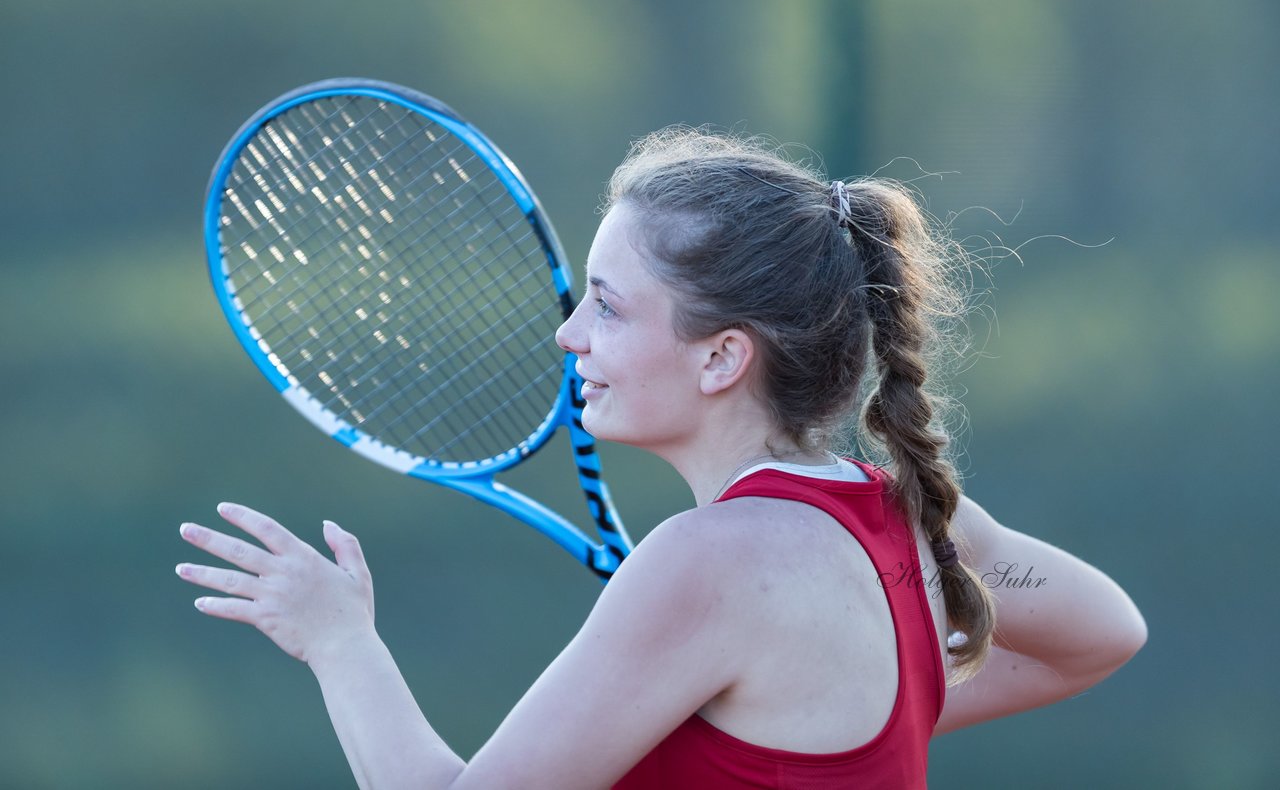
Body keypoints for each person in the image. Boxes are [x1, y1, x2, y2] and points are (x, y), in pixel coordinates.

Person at [177, 128, 1146, 789]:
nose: (569, 337)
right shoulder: (905, 513)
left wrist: (340, 640)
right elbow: (1103, 630)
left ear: (722, 355)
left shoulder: (704, 562)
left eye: (606, 304)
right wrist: (830, 720)